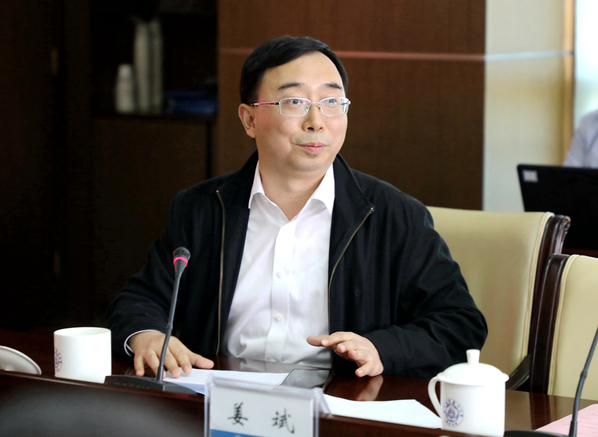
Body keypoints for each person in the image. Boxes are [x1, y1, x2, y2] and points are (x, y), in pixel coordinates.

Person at [106, 35, 487, 380]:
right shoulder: (201, 209)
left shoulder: (394, 216)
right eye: (294, 102)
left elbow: (459, 324)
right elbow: (140, 299)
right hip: (219, 400)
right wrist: (146, 335)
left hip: (341, 403)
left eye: (331, 102)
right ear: (250, 119)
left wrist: (381, 349)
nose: (316, 121)